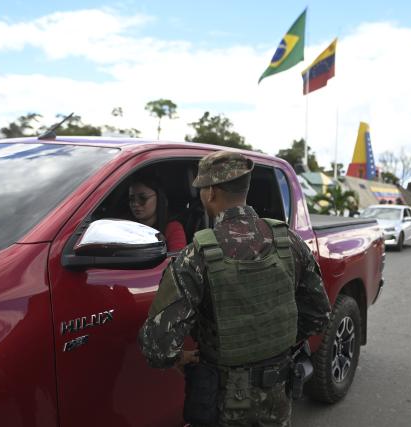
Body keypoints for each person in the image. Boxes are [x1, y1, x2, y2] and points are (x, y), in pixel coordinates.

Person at [137, 151, 331, 426]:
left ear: (210, 193)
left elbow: (158, 347)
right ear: (245, 188)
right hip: (279, 397)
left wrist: (181, 358)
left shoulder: (197, 255)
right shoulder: (288, 241)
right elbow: (319, 314)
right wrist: (272, 344)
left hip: (222, 403)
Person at [128, 174, 187, 251]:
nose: (135, 204)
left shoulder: (172, 228)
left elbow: (178, 260)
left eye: (142, 198)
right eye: (132, 199)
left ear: (159, 198)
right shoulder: (126, 226)